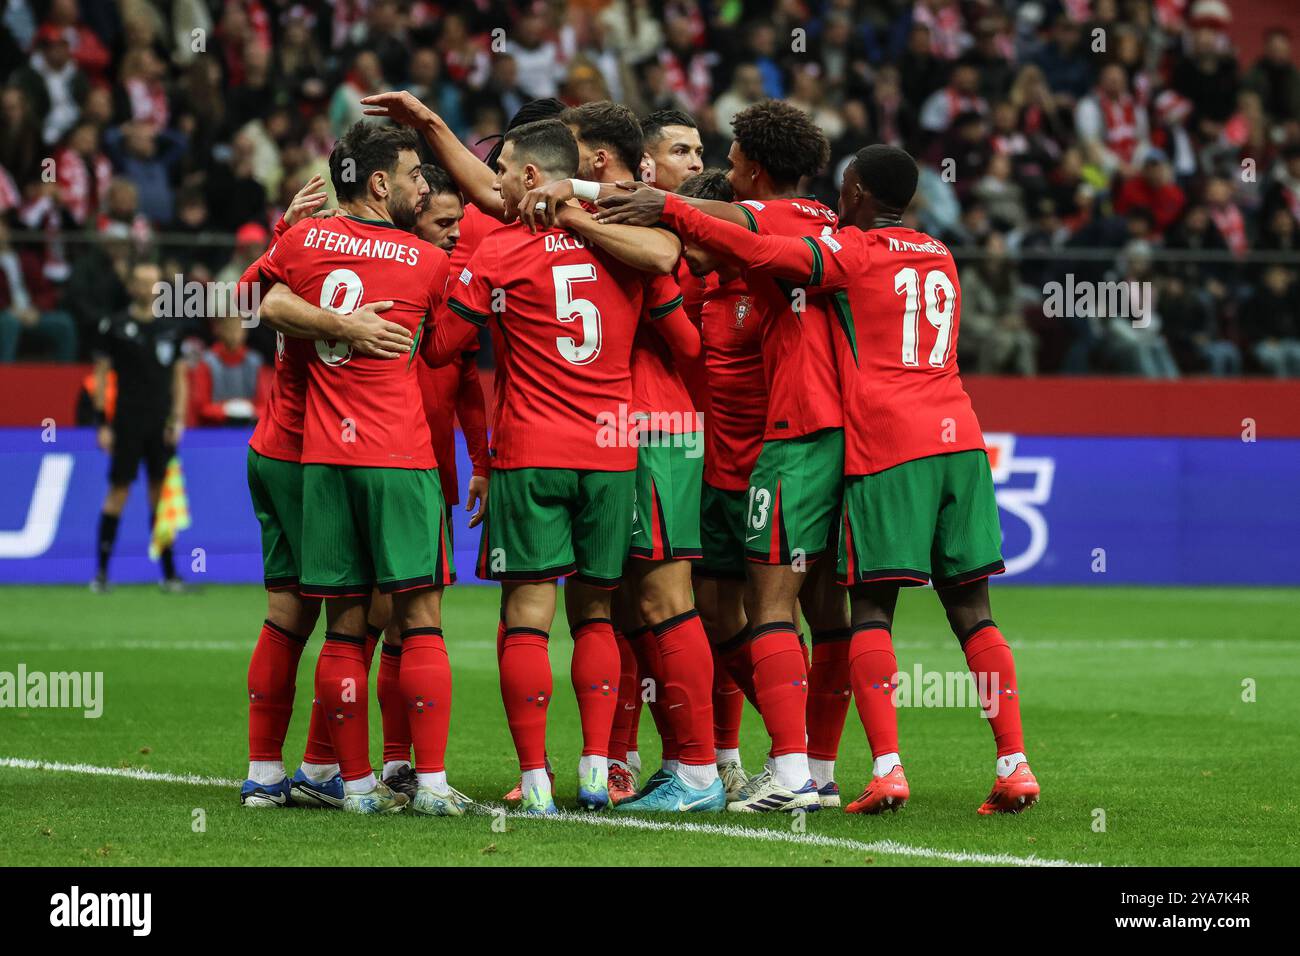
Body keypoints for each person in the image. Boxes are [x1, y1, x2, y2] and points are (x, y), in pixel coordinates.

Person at [623, 143, 1040, 816]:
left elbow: (768, 256)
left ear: (856, 193)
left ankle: (881, 770)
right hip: (962, 438)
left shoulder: (855, 252)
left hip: (888, 445)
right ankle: (1014, 763)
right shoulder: (941, 254)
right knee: (973, 612)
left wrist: (670, 207)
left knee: (867, 608)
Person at [433, 118, 709, 815]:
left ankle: (534, 781)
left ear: (532, 175)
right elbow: (685, 338)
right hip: (613, 456)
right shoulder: (625, 250)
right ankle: (597, 770)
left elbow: (442, 348)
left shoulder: (499, 251)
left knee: (527, 614)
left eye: (504, 171)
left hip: (529, 453)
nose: (494, 185)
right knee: (597, 616)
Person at [595, 99, 852, 814]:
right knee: (719, 611)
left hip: (779, 449)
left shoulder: (768, 234)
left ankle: (793, 766)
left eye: (726, 154)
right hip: (738, 458)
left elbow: (723, 244)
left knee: (777, 611)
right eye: (688, 150)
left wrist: (617, 207)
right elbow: (714, 245)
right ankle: (751, 759)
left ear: (758, 169)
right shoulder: (798, 235)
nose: (715, 163)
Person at [255, 122, 463, 816]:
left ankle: (354, 786)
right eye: (413, 175)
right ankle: (431, 783)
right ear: (380, 184)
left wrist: (332, 323)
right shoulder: (423, 260)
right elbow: (446, 348)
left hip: (321, 458)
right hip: (399, 456)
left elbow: (264, 300)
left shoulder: (304, 239)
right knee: (421, 619)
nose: (421, 186)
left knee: (341, 626)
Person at [234, 175, 414, 809]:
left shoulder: (305, 246)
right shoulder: (361, 255)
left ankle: (266, 774)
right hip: (315, 455)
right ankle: (323, 768)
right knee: (357, 612)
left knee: (288, 613)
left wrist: (284, 231)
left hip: (273, 444)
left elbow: (242, 299)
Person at [90, 260, 188, 592]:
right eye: (142, 282)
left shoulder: (171, 328)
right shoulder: (114, 326)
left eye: (154, 282)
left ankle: (170, 574)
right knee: (118, 491)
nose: (148, 288)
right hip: (127, 422)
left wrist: (177, 418)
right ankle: (101, 574)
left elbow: (179, 379)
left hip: (160, 424)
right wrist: (102, 421)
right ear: (131, 286)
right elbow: (101, 376)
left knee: (160, 497)